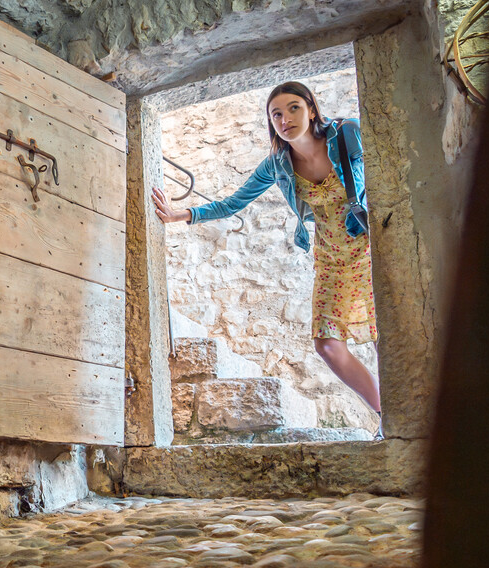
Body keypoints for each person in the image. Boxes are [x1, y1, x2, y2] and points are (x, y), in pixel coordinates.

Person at [151, 81, 382, 432]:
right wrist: (180, 215)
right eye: (276, 114)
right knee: (328, 346)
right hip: (331, 258)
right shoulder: (278, 165)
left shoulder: (348, 134)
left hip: (369, 245)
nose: (285, 118)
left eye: (293, 108)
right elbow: (233, 203)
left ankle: (404, 416)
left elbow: (387, 168)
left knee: (384, 332)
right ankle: (385, 412)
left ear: (312, 110)